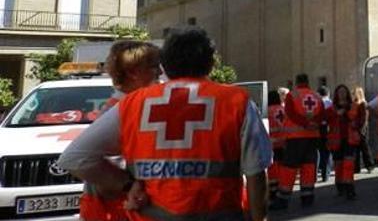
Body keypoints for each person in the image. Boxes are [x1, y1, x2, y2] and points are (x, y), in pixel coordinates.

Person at [59, 27, 272, 221]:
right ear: (211, 62)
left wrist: (128, 184)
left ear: (166, 65)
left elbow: (73, 158)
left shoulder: (132, 104)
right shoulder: (236, 101)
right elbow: (255, 172)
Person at [79, 41, 161, 221]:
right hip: (113, 210)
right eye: (154, 67)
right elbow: (81, 160)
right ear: (134, 73)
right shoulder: (121, 109)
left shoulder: (123, 106)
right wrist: (130, 185)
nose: (160, 73)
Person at [279, 73, 324, 208]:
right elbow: (322, 113)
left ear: (296, 81)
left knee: (289, 167)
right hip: (312, 137)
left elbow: (291, 114)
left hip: (296, 138)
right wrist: (313, 123)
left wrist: (305, 123)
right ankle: (307, 196)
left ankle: (283, 198)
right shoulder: (316, 96)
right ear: (308, 81)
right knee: (308, 166)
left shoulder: (292, 95)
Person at [327, 84, 363, 199]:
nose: (342, 94)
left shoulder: (354, 106)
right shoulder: (332, 108)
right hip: (336, 140)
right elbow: (325, 118)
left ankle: (349, 188)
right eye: (339, 91)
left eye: (344, 91)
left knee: (348, 164)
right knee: (338, 165)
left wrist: (346, 115)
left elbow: (359, 120)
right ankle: (340, 186)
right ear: (336, 94)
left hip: (350, 139)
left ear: (347, 93)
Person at [266, 90, 289, 210]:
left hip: (272, 143)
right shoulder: (284, 109)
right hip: (284, 142)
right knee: (282, 167)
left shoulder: (268, 111)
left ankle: (273, 192)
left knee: (273, 169)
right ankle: (282, 189)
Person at [353, 86, 374, 173]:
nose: (353, 95)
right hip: (356, 128)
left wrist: (362, 129)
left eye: (354, 93)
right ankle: (356, 167)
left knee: (364, 147)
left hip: (362, 129)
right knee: (356, 148)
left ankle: (370, 165)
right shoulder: (355, 103)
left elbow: (364, 118)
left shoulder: (363, 104)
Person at [316, 85, 332, 183]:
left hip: (317, 128)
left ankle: (314, 174)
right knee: (327, 151)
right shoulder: (330, 103)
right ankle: (325, 175)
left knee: (317, 151)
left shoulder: (316, 103)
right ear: (328, 93)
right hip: (328, 128)